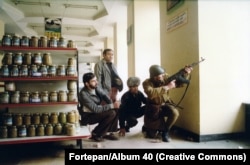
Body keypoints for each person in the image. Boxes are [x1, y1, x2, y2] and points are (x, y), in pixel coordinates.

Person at [142, 64, 192, 142]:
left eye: (161, 75)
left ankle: (165, 131)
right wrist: (167, 87)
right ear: (152, 76)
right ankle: (147, 127)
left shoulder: (166, 77)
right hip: (153, 108)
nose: (160, 77)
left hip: (165, 104)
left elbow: (181, 84)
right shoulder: (146, 83)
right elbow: (151, 93)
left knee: (175, 113)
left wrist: (185, 74)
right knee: (151, 135)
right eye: (157, 76)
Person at [78, 72, 121, 142]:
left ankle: (109, 132)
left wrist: (113, 105)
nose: (96, 82)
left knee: (116, 109)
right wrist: (112, 105)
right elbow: (96, 109)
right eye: (93, 81)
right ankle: (96, 133)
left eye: (96, 80)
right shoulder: (83, 94)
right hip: (88, 116)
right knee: (111, 113)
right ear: (87, 84)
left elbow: (105, 96)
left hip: (95, 112)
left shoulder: (96, 87)